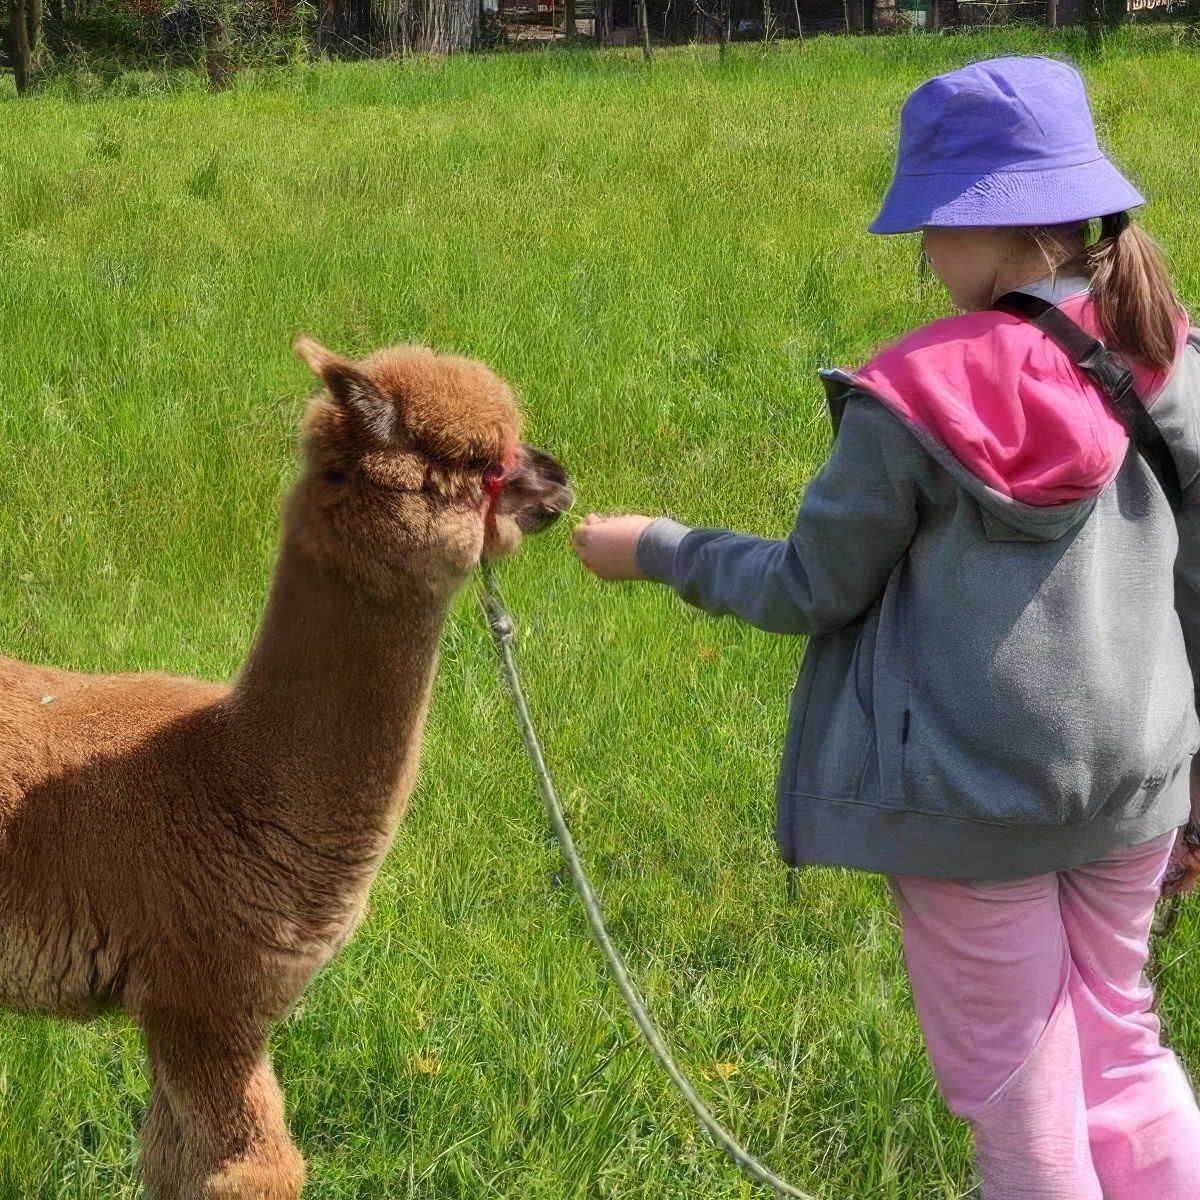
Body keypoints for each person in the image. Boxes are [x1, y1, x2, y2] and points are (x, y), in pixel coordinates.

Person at [572, 56, 1200, 1199]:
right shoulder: (1174, 358)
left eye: (931, 232)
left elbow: (811, 587)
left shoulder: (913, 393)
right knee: (1122, 1046)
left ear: (992, 228)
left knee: (1023, 1100)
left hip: (967, 800)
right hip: (1139, 788)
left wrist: (657, 547)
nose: (924, 259)